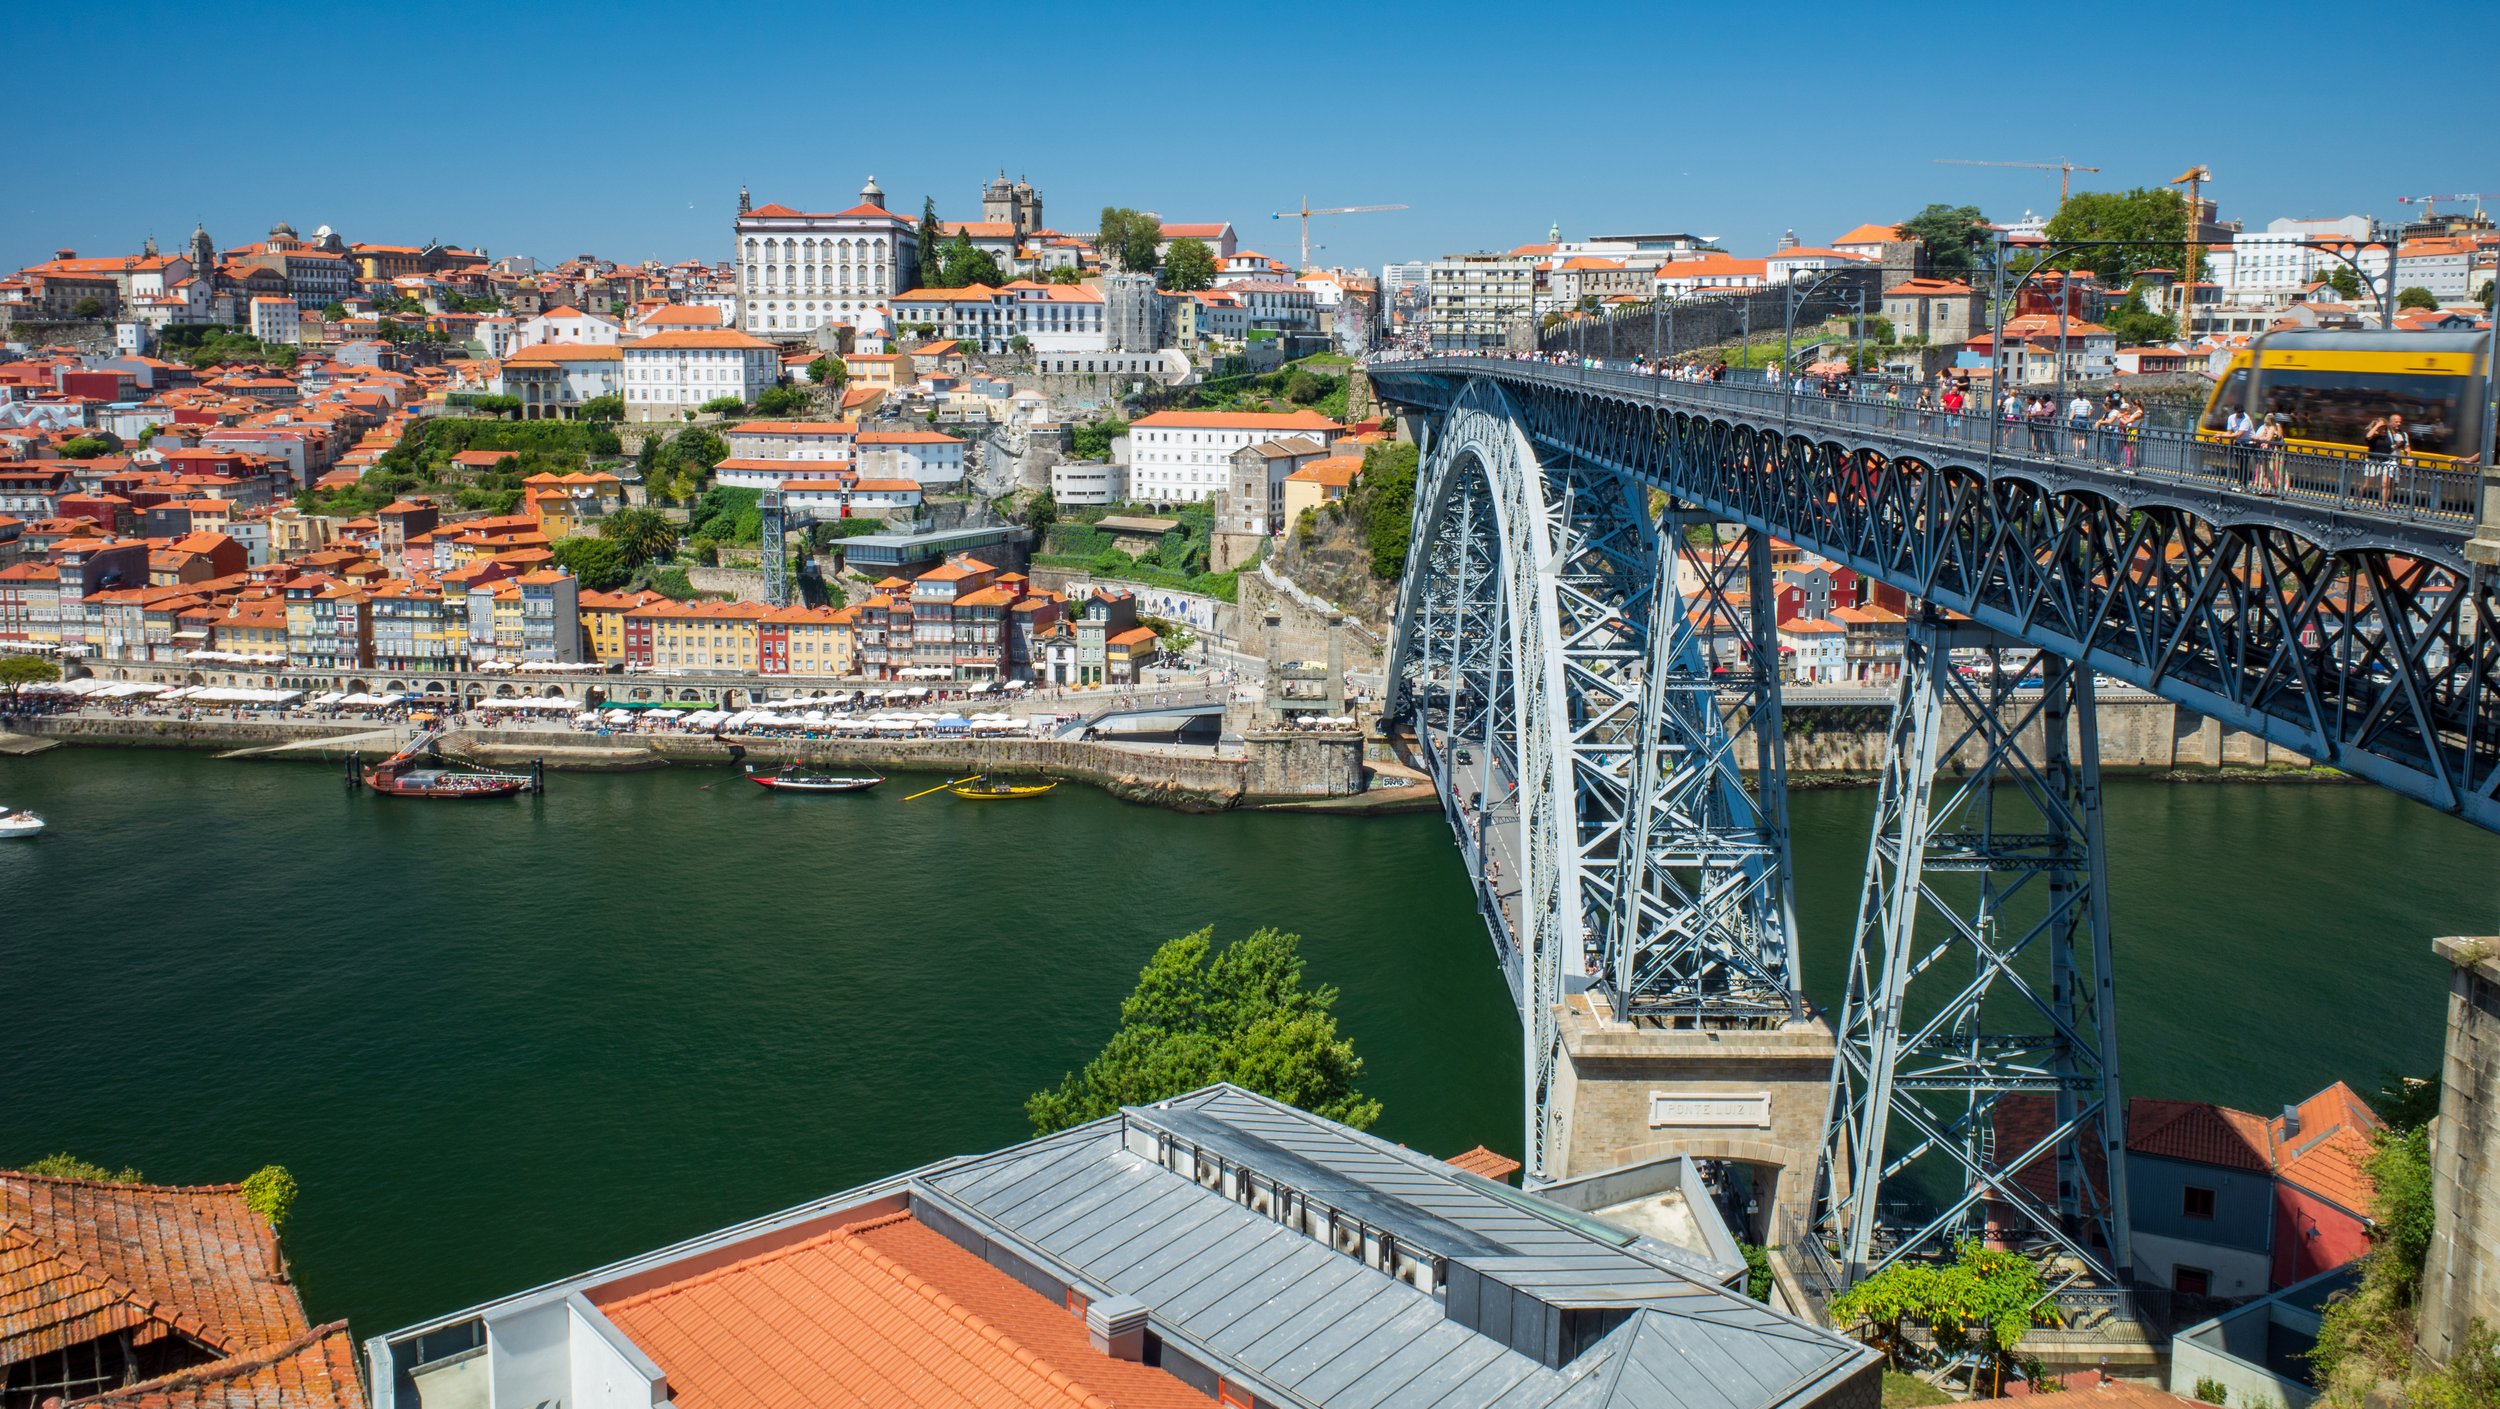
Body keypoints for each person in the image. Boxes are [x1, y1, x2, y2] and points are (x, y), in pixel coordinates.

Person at [2363, 413, 2408, 506]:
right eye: (2396, 422)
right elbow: (2368, 437)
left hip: (2387, 461)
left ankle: (2384, 504)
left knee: (2385, 483)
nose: (2399, 424)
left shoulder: (2394, 435)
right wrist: (2377, 425)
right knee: (2368, 483)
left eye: (2400, 422)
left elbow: (2393, 447)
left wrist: (2398, 446)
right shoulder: (2376, 436)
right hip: (2373, 461)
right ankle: (2358, 498)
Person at [2253, 412, 2286, 494]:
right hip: (2270, 452)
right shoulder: (2271, 428)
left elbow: (2268, 439)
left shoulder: (2271, 428)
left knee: (2269, 470)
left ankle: (2268, 488)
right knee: (2267, 470)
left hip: (2271, 452)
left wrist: (2258, 438)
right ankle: (2266, 487)